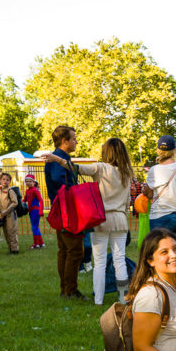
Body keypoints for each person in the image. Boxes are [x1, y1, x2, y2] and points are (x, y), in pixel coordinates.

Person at [45, 137, 134, 305]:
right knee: (119, 260)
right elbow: (127, 200)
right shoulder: (126, 172)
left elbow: (74, 168)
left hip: (101, 220)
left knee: (99, 262)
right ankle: (123, 299)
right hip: (121, 220)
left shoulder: (100, 168)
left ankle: (98, 300)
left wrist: (56, 158)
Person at [45, 125, 85, 299]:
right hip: (66, 209)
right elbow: (58, 181)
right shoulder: (57, 159)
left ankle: (66, 289)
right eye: (73, 138)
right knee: (74, 250)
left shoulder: (60, 158)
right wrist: (72, 190)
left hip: (62, 209)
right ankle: (70, 290)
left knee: (65, 249)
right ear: (64, 141)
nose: (76, 141)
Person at [141, 136, 176, 251]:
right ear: (174, 150)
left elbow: (148, 193)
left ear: (158, 150)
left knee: (160, 253)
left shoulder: (154, 170)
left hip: (160, 216)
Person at [0, 174, 20, 254]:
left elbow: (15, 202)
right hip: (2, 215)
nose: (5, 181)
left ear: (10, 182)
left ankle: (15, 250)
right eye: (4, 179)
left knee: (11, 232)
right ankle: (10, 248)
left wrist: (6, 211)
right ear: (0, 181)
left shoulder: (10, 191)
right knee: (6, 232)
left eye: (7, 180)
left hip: (10, 214)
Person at [24, 174, 45, 249]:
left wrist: (41, 211)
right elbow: (25, 200)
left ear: (34, 182)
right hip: (31, 211)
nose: (28, 183)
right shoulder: (27, 191)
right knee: (35, 227)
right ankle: (41, 243)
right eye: (26, 181)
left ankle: (36, 244)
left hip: (35, 210)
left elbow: (41, 200)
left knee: (34, 227)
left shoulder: (35, 190)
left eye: (30, 181)